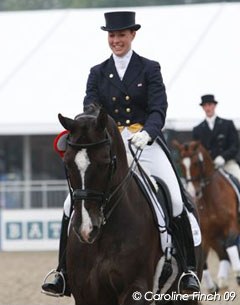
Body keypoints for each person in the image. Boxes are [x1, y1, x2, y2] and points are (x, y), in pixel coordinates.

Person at [42, 11, 200, 297]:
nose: (116, 40)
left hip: (144, 142)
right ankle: (62, 272)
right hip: (107, 145)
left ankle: (187, 270)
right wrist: (98, 130)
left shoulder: (149, 68)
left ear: (132, 35)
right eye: (112, 36)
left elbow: (158, 108)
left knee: (176, 199)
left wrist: (147, 132)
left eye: (121, 35)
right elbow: (90, 106)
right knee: (69, 205)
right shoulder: (98, 72)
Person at [193, 94, 240, 181]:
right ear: (203, 108)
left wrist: (223, 157)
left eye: (210, 105)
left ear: (214, 106)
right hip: (207, 166)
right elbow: (197, 150)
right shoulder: (197, 129)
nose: (208, 108)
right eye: (205, 105)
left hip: (227, 163)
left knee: (238, 177)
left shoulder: (228, 124)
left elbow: (235, 146)